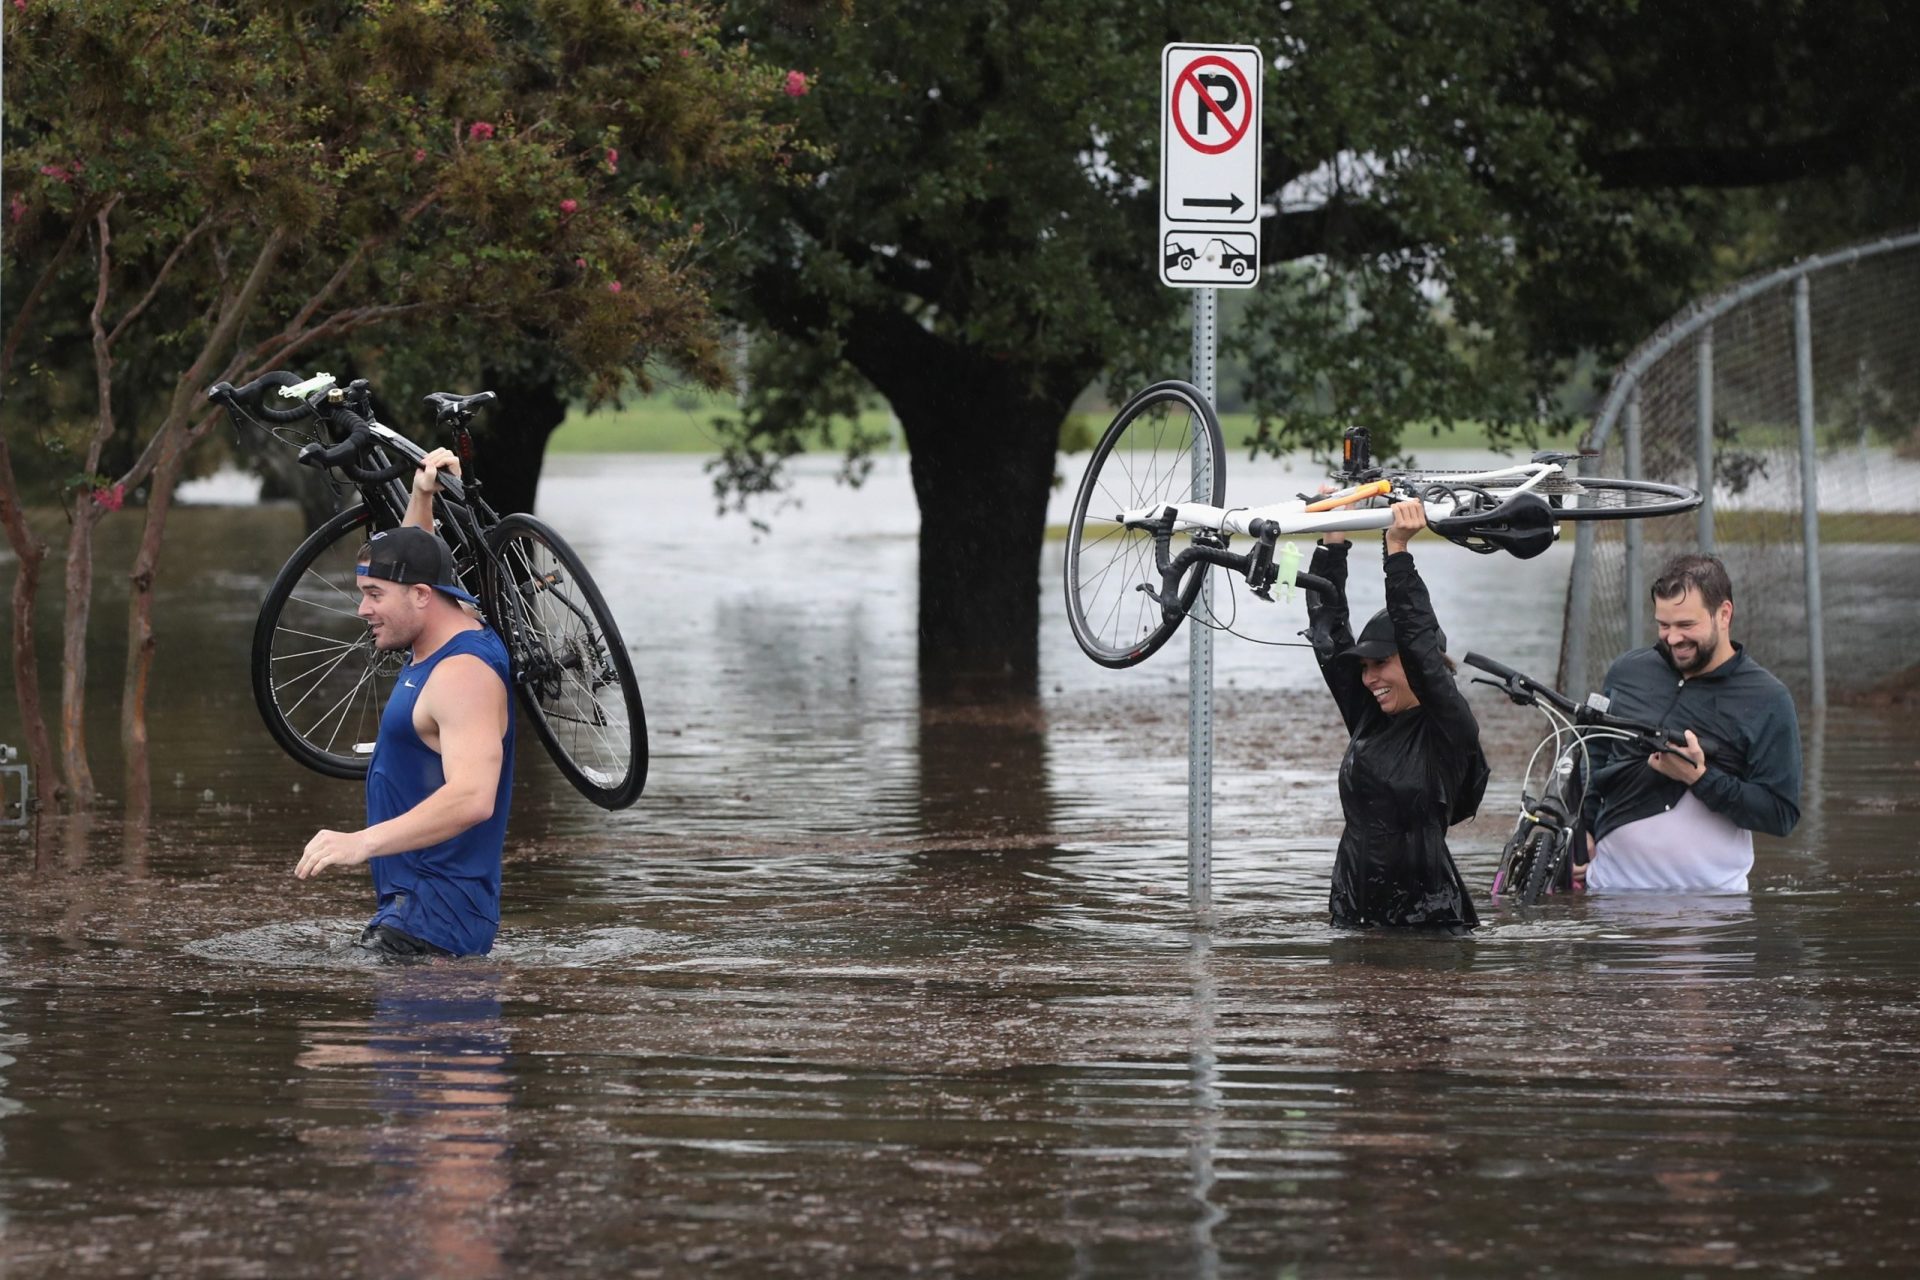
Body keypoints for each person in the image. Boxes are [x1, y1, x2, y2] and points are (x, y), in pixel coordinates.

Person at [295, 450, 516, 958]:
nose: (362, 608)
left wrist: (362, 842)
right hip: (418, 912)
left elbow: (474, 797)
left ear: (420, 596)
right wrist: (422, 496)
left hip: (433, 923)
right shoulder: (448, 621)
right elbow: (419, 559)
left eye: (373, 594)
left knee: (329, 1039)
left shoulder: (462, 675)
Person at [1305, 501, 1489, 932]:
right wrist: (1333, 542)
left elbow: (1419, 644)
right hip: (1354, 910)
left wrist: (1397, 551)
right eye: (1364, 667)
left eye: (1381, 663)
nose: (1369, 678)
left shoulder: (1449, 726)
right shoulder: (1369, 719)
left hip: (1427, 920)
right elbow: (1326, 636)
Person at [1578, 554, 1800, 893]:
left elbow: (1781, 814)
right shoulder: (1628, 671)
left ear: (1724, 614)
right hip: (1608, 895)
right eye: (1664, 625)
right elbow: (1590, 752)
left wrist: (1700, 778)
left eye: (1686, 626)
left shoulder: (1768, 699)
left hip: (1714, 909)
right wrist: (1583, 828)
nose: (1672, 639)